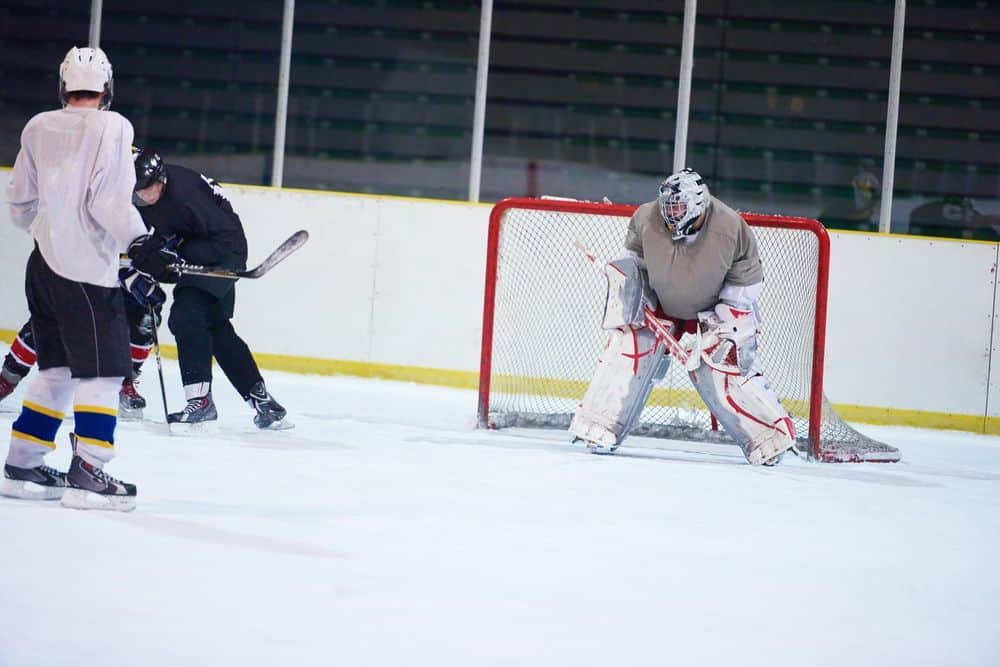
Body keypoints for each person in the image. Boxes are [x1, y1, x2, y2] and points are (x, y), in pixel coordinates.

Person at [0, 46, 172, 510]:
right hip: (86, 272)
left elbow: (18, 206)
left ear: (63, 86)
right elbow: (109, 202)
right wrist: (139, 241)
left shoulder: (38, 126)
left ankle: (22, 465)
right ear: (107, 88)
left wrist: (54, 227)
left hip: (42, 266)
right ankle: (89, 471)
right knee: (105, 371)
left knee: (55, 369)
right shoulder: (114, 127)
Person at [569, 168, 796, 466]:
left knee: (721, 359)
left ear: (698, 204)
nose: (671, 215)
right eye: (668, 207)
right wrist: (637, 299)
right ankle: (598, 425)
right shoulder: (645, 218)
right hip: (663, 302)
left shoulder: (731, 228)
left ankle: (770, 439)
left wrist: (717, 329)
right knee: (629, 346)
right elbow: (637, 267)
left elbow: (744, 289)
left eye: (678, 207)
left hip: (716, 309)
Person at [130, 148, 288, 429]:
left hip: (224, 253)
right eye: (138, 190)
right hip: (204, 248)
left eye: (148, 188)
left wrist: (175, 257)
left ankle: (200, 402)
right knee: (215, 329)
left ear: (161, 179)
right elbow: (170, 232)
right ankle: (262, 401)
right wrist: (150, 257)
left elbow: (222, 237)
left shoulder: (187, 196)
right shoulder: (156, 196)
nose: (144, 195)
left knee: (186, 316)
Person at [0, 297, 164, 419]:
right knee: (49, 316)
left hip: (129, 272)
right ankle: (7, 379)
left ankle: (123, 380)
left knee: (146, 318)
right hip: (85, 266)